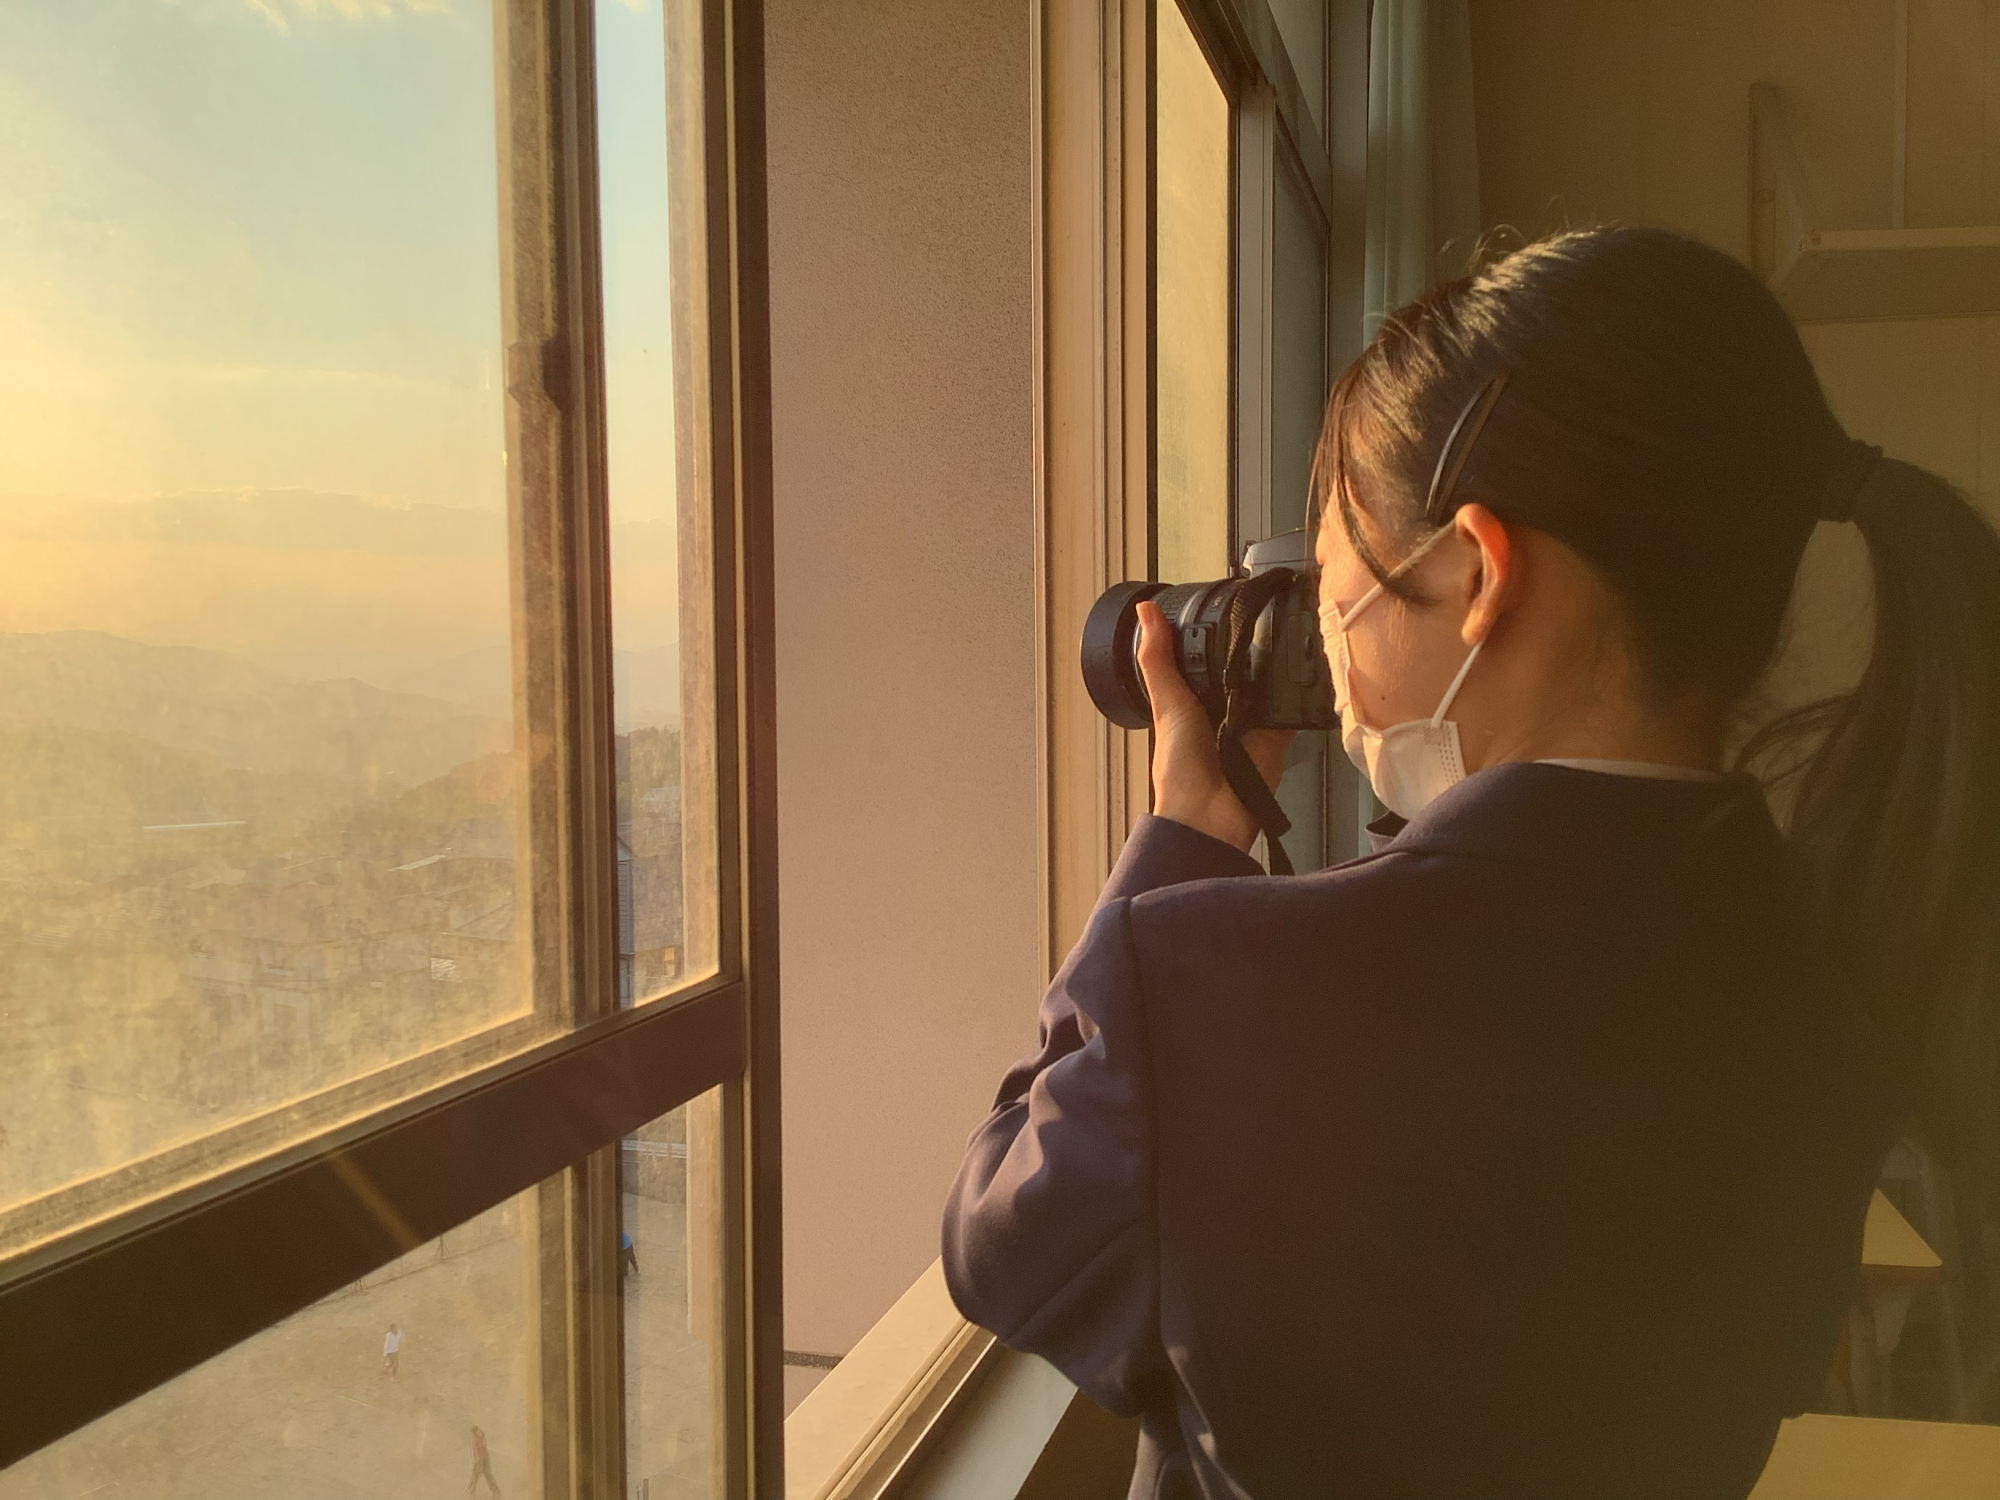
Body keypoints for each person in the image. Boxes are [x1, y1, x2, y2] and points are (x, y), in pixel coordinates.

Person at [941, 226, 2000, 1499]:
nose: (1329, 658)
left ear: (1481, 572)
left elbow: (1001, 1243)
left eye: (1336, 590)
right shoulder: (1830, 966)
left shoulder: (1211, 986)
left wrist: (1180, 842)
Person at [468, 1424, 500, 1497]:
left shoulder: (475, 1439)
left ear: (473, 1432)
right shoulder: (480, 1437)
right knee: (486, 1475)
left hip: (479, 1460)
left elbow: (476, 1452)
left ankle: (471, 1491)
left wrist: (476, 1462)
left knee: (475, 1475)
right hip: (484, 1458)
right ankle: (495, 1490)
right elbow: (482, 1450)